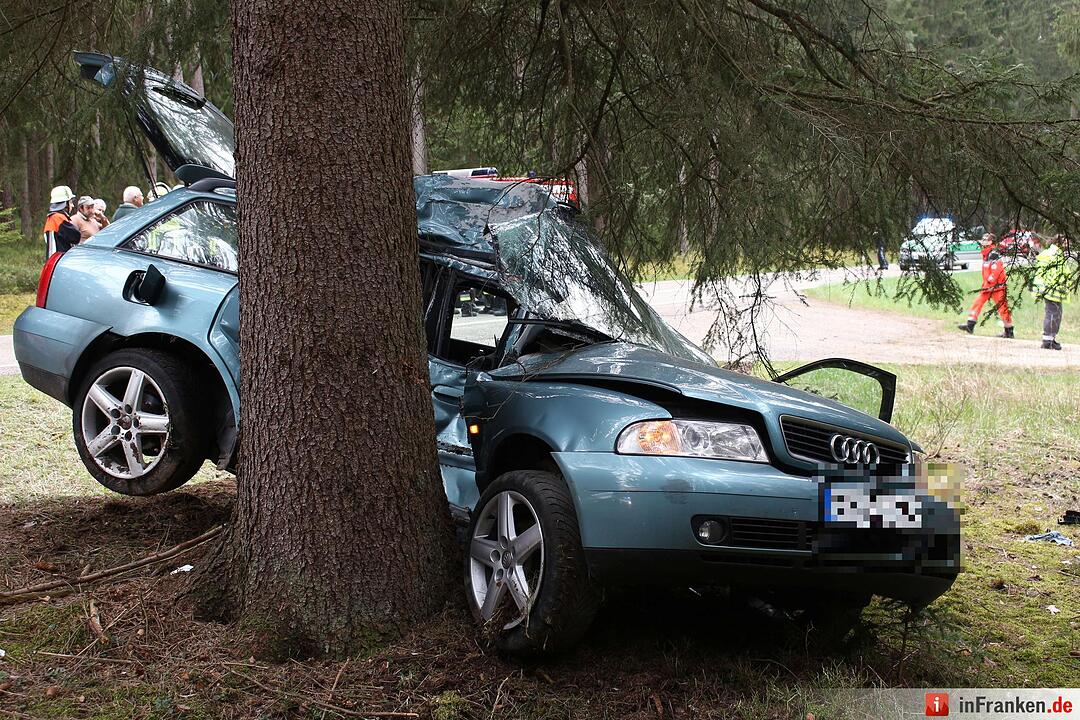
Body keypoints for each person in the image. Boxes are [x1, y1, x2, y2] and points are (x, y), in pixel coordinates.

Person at [959, 235, 1014, 338]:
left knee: (1003, 308)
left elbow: (996, 271)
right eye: (983, 239)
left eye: (986, 239)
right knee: (977, 303)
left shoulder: (994, 254)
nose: (983, 241)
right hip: (987, 287)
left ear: (991, 241)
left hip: (997, 287)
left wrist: (990, 282)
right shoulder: (986, 254)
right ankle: (970, 325)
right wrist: (986, 284)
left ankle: (1009, 331)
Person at [1034, 234, 1073, 350]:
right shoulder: (1054, 254)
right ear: (1059, 243)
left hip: (1054, 290)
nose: (1068, 244)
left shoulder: (1056, 253)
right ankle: (1047, 341)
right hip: (1052, 290)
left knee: (1056, 314)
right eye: (1066, 242)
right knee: (1052, 314)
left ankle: (1051, 338)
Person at [42, 186, 81, 260]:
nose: (72, 205)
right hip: (59, 261)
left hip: (54, 260)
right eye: (71, 202)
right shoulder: (58, 218)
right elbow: (76, 237)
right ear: (65, 204)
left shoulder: (52, 218)